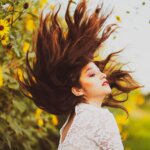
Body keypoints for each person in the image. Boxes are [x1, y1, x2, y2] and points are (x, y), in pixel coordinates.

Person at [16, 0, 143, 149]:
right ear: (77, 89)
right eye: (91, 75)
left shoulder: (68, 125)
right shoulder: (101, 118)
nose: (102, 75)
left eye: (99, 71)